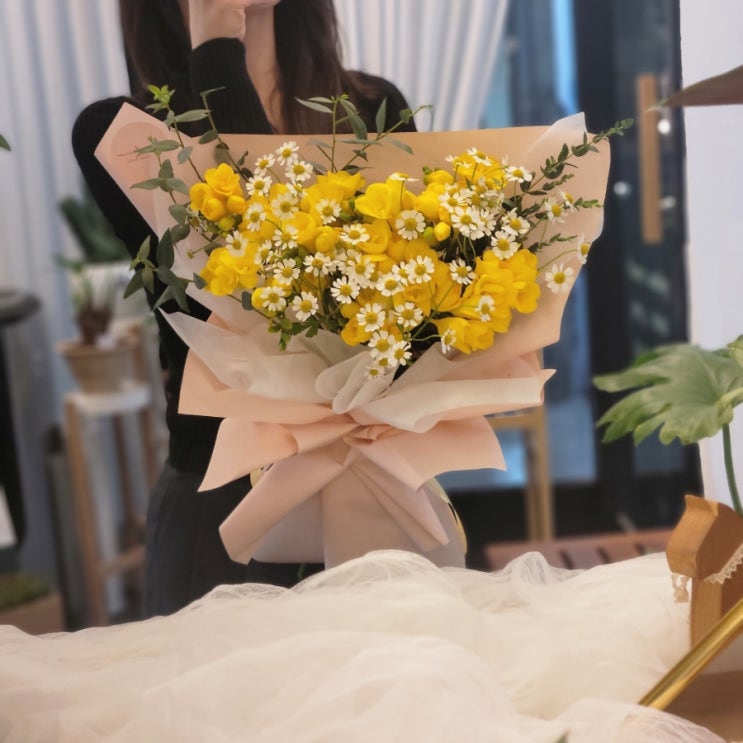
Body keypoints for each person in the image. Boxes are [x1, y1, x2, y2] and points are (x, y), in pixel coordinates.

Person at [72, 0, 417, 618]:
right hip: (221, 501)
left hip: (372, 484)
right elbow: (268, 274)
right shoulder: (121, 132)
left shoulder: (371, 109)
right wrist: (215, 52)